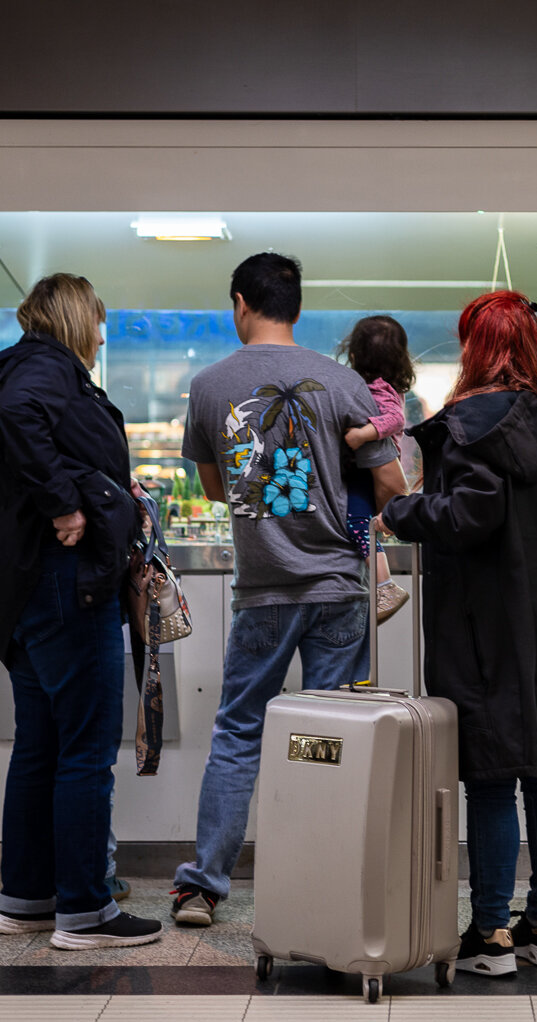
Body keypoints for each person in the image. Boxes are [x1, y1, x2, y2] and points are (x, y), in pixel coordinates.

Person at [378, 291, 537, 977]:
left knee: (491, 778)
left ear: (473, 348)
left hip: (481, 626)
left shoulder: (461, 424)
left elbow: (469, 515)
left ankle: (491, 935)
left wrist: (402, 512)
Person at [171, 254, 408, 926]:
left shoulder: (210, 384)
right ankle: (325, 881)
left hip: (264, 593)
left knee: (240, 731)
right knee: (330, 738)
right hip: (338, 589)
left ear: (241, 303)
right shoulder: (343, 383)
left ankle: (204, 887)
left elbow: (217, 489)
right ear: (297, 309)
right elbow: (391, 487)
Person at [0, 273, 163, 950]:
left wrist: (102, 486)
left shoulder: (29, 370)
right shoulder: (46, 372)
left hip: (22, 587)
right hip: (64, 586)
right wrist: (67, 504)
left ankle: (25, 901)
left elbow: (41, 441)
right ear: (77, 319)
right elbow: (23, 423)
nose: (103, 338)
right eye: (100, 324)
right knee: (83, 751)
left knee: (40, 748)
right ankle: (84, 910)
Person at [339, 314, 414, 624]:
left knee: (359, 522)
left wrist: (363, 433)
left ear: (356, 354)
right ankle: (381, 585)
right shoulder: (374, 386)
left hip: (369, 465)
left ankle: (385, 587)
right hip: (363, 465)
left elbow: (395, 419)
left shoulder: (380, 388)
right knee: (358, 520)